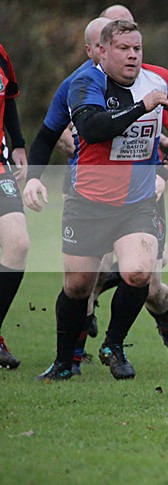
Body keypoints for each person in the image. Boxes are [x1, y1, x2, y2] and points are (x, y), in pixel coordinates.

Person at [25, 11, 168, 375]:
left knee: (140, 274)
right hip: (87, 200)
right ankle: (64, 361)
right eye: (123, 47)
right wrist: (34, 178)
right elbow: (87, 129)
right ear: (98, 51)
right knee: (79, 284)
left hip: (137, 200)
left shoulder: (156, 78)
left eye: (137, 47)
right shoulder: (82, 84)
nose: (132, 54)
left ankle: (115, 345)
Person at [0, 43, 30, 369]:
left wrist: (18, 143)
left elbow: (7, 99)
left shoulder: (2, 53)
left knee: (18, 244)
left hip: (0, 162)